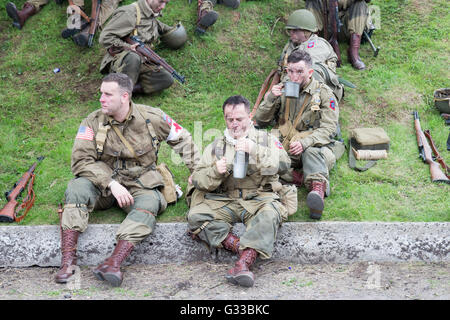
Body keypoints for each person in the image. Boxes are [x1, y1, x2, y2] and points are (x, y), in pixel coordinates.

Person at [55, 73, 200, 287]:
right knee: (76, 188)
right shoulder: (92, 121)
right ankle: (68, 261)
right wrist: (111, 184)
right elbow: (80, 162)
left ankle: (113, 262)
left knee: (150, 203)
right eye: (101, 93)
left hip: (139, 182)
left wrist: (197, 173)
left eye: (107, 94)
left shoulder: (152, 117)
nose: (101, 99)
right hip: (103, 185)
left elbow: (183, 140)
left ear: (124, 96)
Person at [187, 95, 292, 287]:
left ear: (249, 117)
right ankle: (241, 248)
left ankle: (243, 264)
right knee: (196, 216)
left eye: (239, 119)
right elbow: (197, 179)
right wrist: (215, 171)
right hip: (225, 200)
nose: (234, 124)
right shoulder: (216, 146)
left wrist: (254, 150)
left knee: (270, 215)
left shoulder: (266, 139)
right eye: (230, 119)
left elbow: (285, 164)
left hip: (258, 198)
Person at [254, 51, 345, 220]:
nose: (293, 76)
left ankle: (317, 191)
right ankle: (300, 178)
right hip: (285, 145)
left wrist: (305, 143)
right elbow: (261, 120)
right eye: (290, 71)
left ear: (310, 72)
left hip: (314, 147)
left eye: (299, 72)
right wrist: (270, 99)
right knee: (262, 158)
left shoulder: (324, 94)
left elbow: (329, 129)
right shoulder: (283, 88)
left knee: (312, 153)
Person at [99, 0, 185, 95]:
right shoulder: (129, 13)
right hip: (122, 59)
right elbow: (105, 37)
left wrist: (176, 31)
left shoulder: (151, 14)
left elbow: (162, 28)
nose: (163, 6)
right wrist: (128, 47)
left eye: (166, 3)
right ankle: (119, 94)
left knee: (166, 78)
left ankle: (127, 89)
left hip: (143, 60)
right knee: (133, 57)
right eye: (161, 1)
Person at [280, 9, 343, 102]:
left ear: (306, 31)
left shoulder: (318, 46)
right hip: (296, 85)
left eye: (295, 30)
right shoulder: (293, 44)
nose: (291, 33)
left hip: (321, 89)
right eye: (290, 30)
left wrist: (283, 86)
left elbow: (302, 71)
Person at [305, 0, 374, 70]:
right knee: (312, 2)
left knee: (360, 3)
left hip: (348, 26)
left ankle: (353, 52)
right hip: (324, 26)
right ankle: (314, 45)